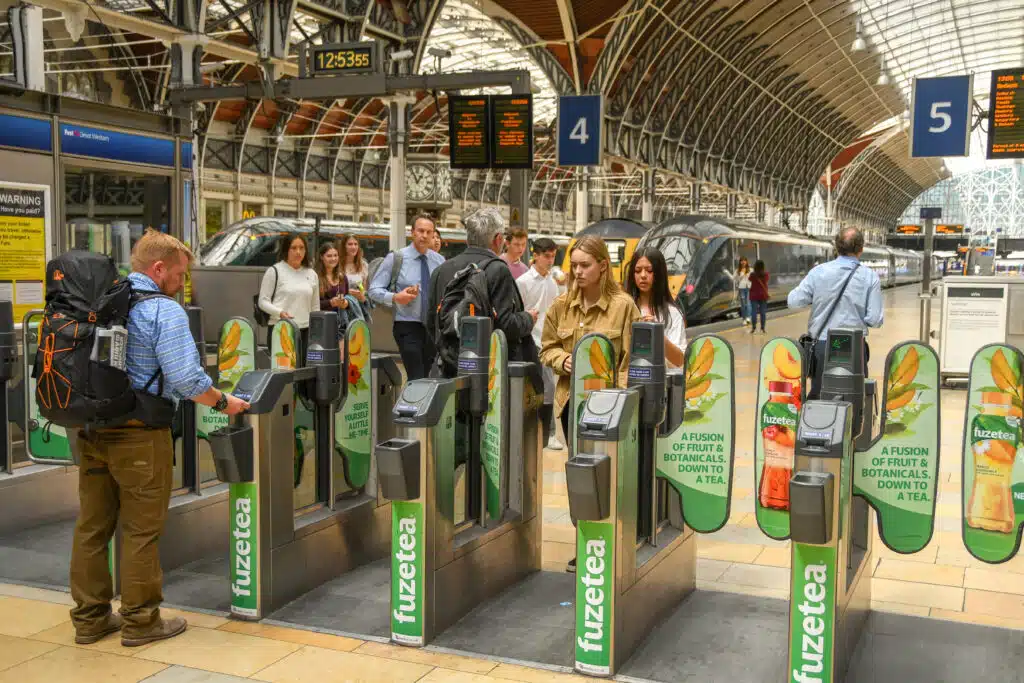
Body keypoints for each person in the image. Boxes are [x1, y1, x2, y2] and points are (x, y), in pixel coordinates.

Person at [70, 230, 249, 647]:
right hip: (139, 435)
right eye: (180, 275)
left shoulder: (99, 301)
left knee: (92, 527)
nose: (182, 284)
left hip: (92, 429)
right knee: (140, 530)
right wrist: (225, 403)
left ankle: (91, 618)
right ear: (159, 269)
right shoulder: (162, 311)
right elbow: (188, 380)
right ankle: (140, 620)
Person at [541, 236, 640, 571]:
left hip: (610, 409)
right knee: (582, 477)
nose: (578, 272)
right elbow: (547, 347)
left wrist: (616, 393)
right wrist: (562, 360)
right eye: (574, 265)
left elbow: (633, 360)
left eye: (585, 265)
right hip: (572, 406)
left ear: (602, 266)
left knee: (611, 477)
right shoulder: (561, 305)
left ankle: (613, 542)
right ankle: (586, 543)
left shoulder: (624, 307)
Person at [428, 207, 538, 375]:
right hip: (488, 372)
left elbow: (431, 322)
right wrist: (528, 318)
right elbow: (506, 326)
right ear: (498, 239)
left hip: (449, 369)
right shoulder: (497, 269)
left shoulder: (441, 270)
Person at [788, 226, 883, 399]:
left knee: (820, 395)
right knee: (853, 397)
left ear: (836, 248)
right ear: (861, 249)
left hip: (822, 346)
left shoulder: (818, 272)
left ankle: (819, 425)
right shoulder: (870, 277)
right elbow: (875, 319)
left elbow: (793, 302)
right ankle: (852, 425)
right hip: (853, 346)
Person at [368, 214, 444, 380]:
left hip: (432, 328)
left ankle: (421, 405)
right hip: (407, 325)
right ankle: (413, 405)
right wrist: (396, 297)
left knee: (429, 376)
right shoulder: (396, 258)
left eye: (428, 232)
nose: (424, 235)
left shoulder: (439, 261)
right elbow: (373, 290)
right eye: (421, 231)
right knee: (416, 375)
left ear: (433, 235)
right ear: (412, 232)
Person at [516, 237, 567, 450]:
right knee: (539, 387)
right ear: (535, 255)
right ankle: (544, 433)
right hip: (530, 341)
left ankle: (548, 433)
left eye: (553, 256)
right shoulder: (523, 282)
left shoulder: (552, 283)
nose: (550, 260)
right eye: (546, 256)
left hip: (547, 342)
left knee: (548, 387)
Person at [257, 232, 320, 352]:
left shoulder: (312, 274)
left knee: (303, 370)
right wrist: (280, 312)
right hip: (281, 328)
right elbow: (263, 301)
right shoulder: (274, 271)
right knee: (283, 369)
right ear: (286, 250)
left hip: (306, 331)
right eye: (294, 248)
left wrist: (316, 331)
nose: (298, 252)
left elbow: (315, 307)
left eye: (302, 248)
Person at [626, 247, 686, 367]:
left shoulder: (672, 313)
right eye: (638, 271)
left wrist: (658, 334)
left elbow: (680, 360)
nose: (643, 275)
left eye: (649, 270)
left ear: (659, 274)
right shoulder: (625, 309)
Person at [316, 241, 350, 333]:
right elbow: (311, 304)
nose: (333, 258)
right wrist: (330, 303)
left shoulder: (342, 277)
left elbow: (348, 298)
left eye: (335, 255)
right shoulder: (315, 277)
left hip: (341, 325)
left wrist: (346, 303)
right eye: (329, 256)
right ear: (321, 257)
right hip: (321, 325)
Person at [340, 233, 369, 304]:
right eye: (350, 244)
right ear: (344, 246)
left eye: (355, 244)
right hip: (341, 306)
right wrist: (347, 292)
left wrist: (361, 295)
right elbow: (332, 291)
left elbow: (364, 289)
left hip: (358, 306)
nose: (353, 247)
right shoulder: (337, 265)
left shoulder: (363, 265)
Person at [748, 260, 769, 335]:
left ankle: (753, 328)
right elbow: (766, 280)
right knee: (762, 312)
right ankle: (762, 328)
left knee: (754, 312)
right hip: (763, 295)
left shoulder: (752, 274)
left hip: (754, 295)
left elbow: (749, 279)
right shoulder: (766, 274)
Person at [734, 257, 752, 326]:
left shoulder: (750, 270)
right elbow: (734, 279)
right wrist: (740, 275)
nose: (743, 262)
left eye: (744, 261)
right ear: (740, 262)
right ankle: (744, 319)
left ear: (747, 262)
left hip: (748, 288)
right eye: (742, 261)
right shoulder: (737, 270)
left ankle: (748, 318)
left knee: (748, 303)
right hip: (741, 288)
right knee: (743, 305)